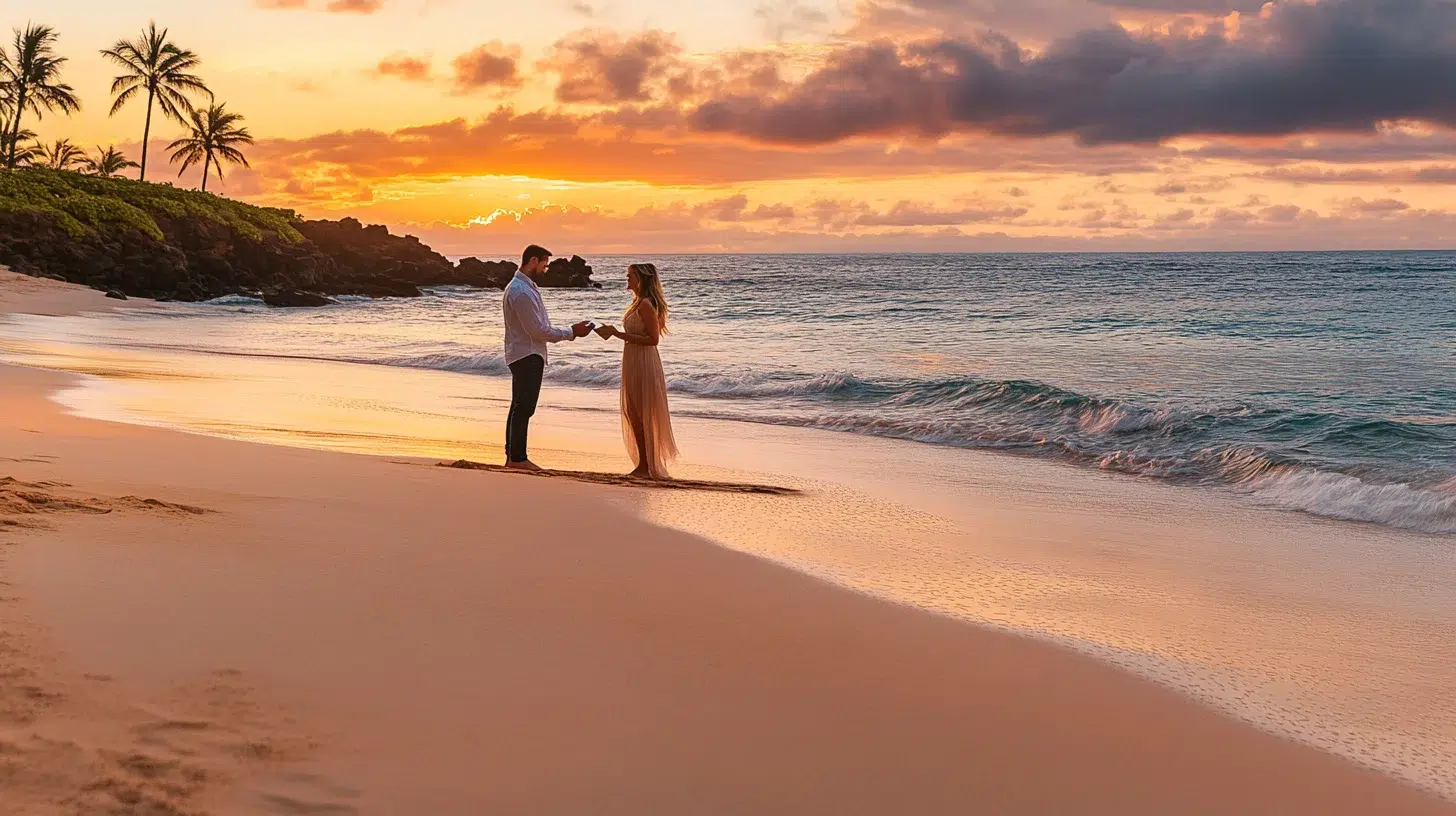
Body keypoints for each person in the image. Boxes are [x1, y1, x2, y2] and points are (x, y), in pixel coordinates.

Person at [502, 244, 593, 471]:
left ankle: (513, 456)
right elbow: (537, 331)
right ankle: (517, 459)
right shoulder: (520, 291)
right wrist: (571, 332)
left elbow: (537, 328)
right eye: (544, 263)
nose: (546, 268)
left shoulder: (524, 287)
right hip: (527, 354)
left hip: (524, 352)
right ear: (533, 260)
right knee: (524, 407)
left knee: (518, 406)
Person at [595, 263, 679, 480]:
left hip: (643, 361)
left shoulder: (645, 305)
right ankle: (643, 463)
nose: (627, 279)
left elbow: (653, 340)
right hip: (632, 358)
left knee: (642, 412)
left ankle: (647, 466)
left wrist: (618, 335)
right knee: (633, 411)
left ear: (641, 279)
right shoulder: (636, 304)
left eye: (630, 276)